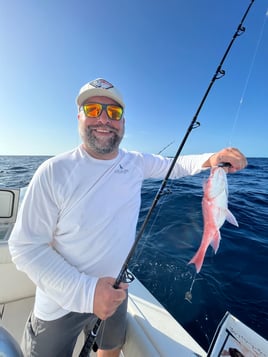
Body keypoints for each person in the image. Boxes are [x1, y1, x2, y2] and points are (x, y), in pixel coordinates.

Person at [9, 78, 247, 357]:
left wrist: (215, 157)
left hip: (116, 288)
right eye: (93, 109)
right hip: (60, 303)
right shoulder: (53, 171)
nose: (104, 119)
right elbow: (25, 248)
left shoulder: (135, 162)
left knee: (110, 351)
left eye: (114, 113)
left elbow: (179, 164)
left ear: (123, 122)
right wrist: (86, 292)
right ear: (79, 117)